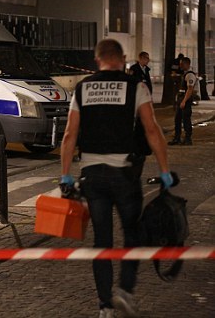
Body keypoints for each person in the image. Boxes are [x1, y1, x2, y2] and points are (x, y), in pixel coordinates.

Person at [60, 39, 171, 318]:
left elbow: (70, 134)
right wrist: (164, 170)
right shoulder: (136, 87)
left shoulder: (83, 88)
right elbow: (152, 130)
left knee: (102, 240)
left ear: (98, 60)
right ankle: (125, 291)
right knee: (132, 234)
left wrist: (65, 175)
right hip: (124, 174)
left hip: (92, 176)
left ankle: (105, 306)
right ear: (122, 59)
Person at [168, 56, 197, 146]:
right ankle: (177, 138)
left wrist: (184, 101)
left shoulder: (190, 75)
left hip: (185, 100)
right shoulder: (185, 74)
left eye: (182, 64)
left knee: (186, 120)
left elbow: (190, 89)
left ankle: (188, 139)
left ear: (187, 64)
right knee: (177, 119)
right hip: (181, 99)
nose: (180, 66)